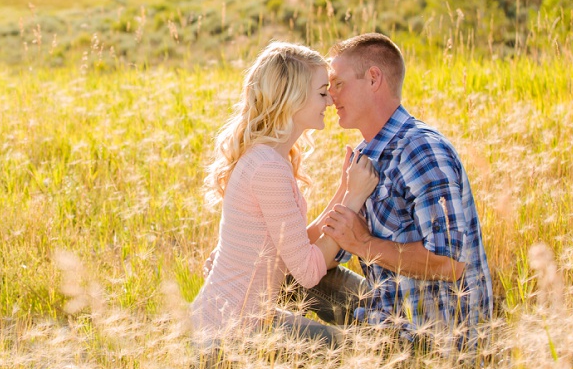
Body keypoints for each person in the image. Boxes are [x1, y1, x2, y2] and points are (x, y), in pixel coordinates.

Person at [191, 41, 379, 349]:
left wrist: (345, 190)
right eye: (322, 92)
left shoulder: (268, 157)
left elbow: (295, 244)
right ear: (292, 99)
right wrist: (354, 200)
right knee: (350, 353)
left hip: (244, 319)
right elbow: (305, 271)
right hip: (231, 333)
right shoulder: (267, 168)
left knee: (346, 347)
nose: (330, 102)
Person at [317, 33, 493, 345]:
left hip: (430, 342)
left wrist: (364, 245)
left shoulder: (420, 150)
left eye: (339, 83)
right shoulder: (367, 155)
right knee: (289, 280)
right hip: (382, 315)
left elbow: (451, 264)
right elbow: (324, 259)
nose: (330, 97)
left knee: (286, 336)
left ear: (373, 79)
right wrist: (345, 194)